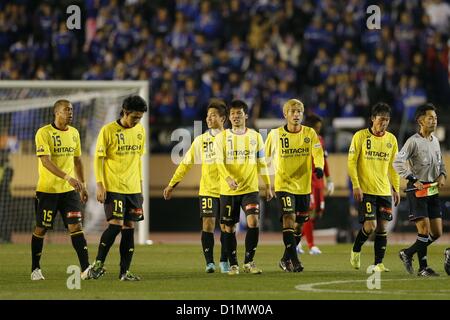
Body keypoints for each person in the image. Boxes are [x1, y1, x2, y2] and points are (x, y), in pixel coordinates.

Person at [163, 99, 230, 273]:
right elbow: (185, 164)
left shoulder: (232, 139)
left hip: (228, 190)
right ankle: (209, 262)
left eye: (213, 115)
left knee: (226, 227)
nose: (209, 119)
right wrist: (172, 185)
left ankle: (224, 260)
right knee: (208, 224)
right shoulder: (201, 140)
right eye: (208, 115)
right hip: (208, 189)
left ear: (223, 119)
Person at [31, 99, 91, 280]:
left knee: (76, 226)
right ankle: (35, 269)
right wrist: (68, 177)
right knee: (41, 229)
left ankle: (86, 269)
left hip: (68, 191)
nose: (71, 112)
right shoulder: (44, 133)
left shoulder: (74, 133)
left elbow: (77, 161)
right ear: (57, 112)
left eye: (72, 109)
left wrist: (83, 185)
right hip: (48, 191)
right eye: (67, 110)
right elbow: (45, 161)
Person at [90, 95, 148, 281]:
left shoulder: (140, 131)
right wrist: (100, 185)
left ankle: (124, 272)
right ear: (124, 112)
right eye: (134, 117)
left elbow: (138, 161)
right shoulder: (108, 130)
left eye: (139, 118)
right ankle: (97, 264)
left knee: (130, 227)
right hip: (113, 186)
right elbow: (98, 159)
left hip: (133, 189)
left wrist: (140, 187)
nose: (137, 121)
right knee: (115, 226)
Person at [214, 99, 273, 275]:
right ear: (229, 117)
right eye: (232, 114)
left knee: (253, 222)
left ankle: (249, 262)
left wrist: (268, 185)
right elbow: (219, 162)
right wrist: (228, 178)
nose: (235, 117)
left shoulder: (255, 136)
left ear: (245, 115)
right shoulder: (221, 138)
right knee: (229, 228)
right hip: (228, 190)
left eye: (239, 113)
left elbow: (262, 162)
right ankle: (233, 264)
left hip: (250, 189)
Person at [265, 99, 324, 272]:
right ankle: (295, 261)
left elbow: (318, 152)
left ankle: (285, 259)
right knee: (288, 219)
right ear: (285, 114)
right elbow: (263, 156)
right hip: (283, 185)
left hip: (304, 187)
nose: (296, 114)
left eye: (299, 111)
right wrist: (266, 182)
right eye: (292, 111)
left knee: (299, 225)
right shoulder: (275, 135)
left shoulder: (310, 133)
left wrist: (319, 166)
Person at [393, 103, 447, 277]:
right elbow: (397, 162)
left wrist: (442, 175)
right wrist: (412, 178)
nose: (434, 121)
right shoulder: (413, 142)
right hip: (417, 190)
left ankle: (407, 253)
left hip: (432, 190)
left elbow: (441, 163)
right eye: (430, 118)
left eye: (435, 118)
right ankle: (423, 267)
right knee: (423, 231)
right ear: (420, 121)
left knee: (436, 232)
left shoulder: (436, 141)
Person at [348, 102, 400, 272]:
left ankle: (378, 263)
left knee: (382, 228)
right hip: (366, 190)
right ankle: (356, 250)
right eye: (381, 119)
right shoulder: (360, 137)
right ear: (372, 119)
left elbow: (394, 167)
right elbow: (351, 162)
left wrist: (396, 188)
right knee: (370, 226)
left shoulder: (391, 140)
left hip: (384, 191)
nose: (383, 123)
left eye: (387, 120)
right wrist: (356, 185)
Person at [300, 114, 334, 255]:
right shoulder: (302, 139)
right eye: (316, 128)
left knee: (317, 212)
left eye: (319, 128)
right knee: (310, 211)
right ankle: (311, 245)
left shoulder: (320, 140)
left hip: (319, 181)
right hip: (308, 181)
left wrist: (329, 179)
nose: (318, 130)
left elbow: (324, 160)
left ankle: (296, 241)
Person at [0, 150, 14, 243]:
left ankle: (6, 238)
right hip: (4, 196)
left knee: (6, 218)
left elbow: (6, 182)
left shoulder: (8, 169)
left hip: (5, 197)